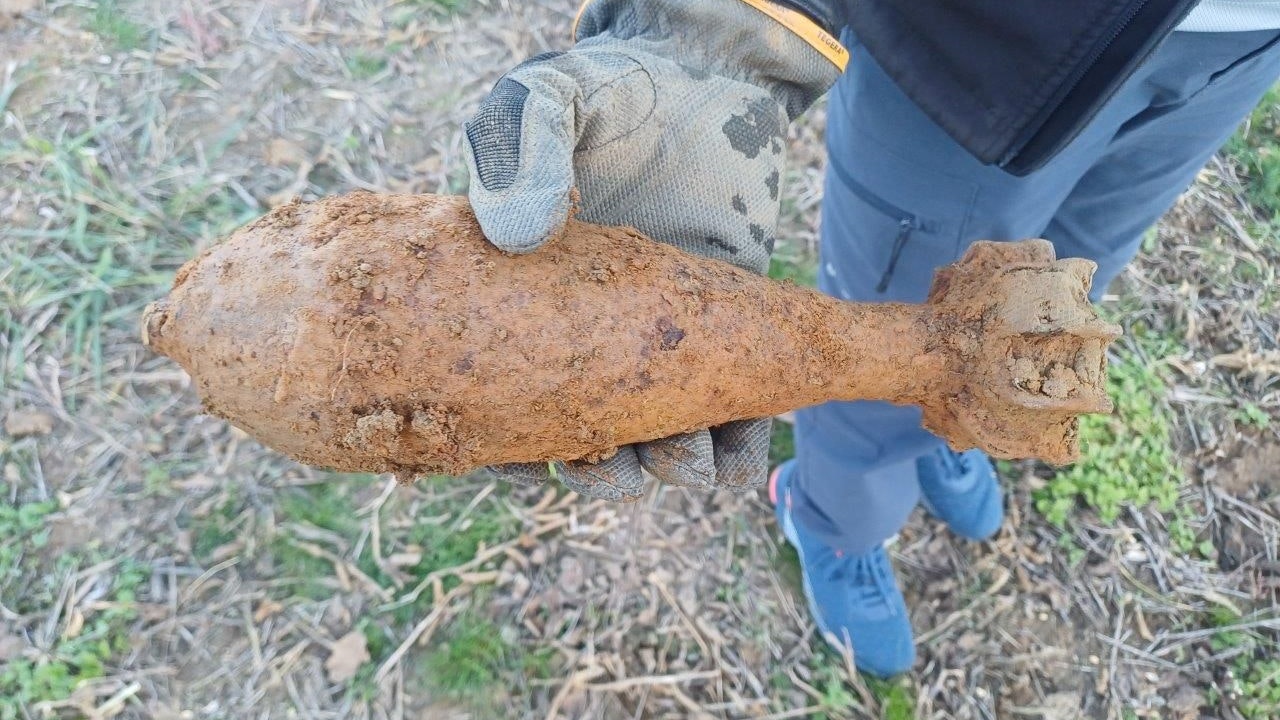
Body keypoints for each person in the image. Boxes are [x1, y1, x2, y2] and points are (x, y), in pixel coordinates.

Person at [461, 0, 1280, 677]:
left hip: (1235, 48)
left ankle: (949, 428)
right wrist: (715, 35)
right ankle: (833, 521)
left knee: (1059, 287)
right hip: (982, 50)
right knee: (904, 313)